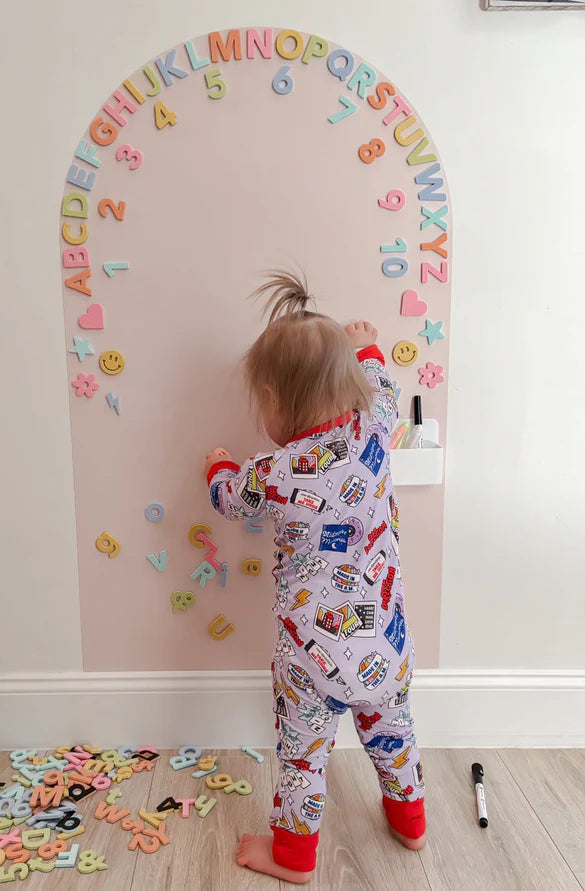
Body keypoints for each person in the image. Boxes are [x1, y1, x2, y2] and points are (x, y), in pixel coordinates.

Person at [203, 271, 426, 884]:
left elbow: (228, 499)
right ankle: (411, 822)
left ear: (278, 399)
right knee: (394, 734)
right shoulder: (377, 427)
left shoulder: (273, 471)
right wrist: (369, 348)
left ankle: (294, 857)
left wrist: (219, 465)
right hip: (385, 642)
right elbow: (384, 385)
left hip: (310, 658)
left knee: (302, 759)